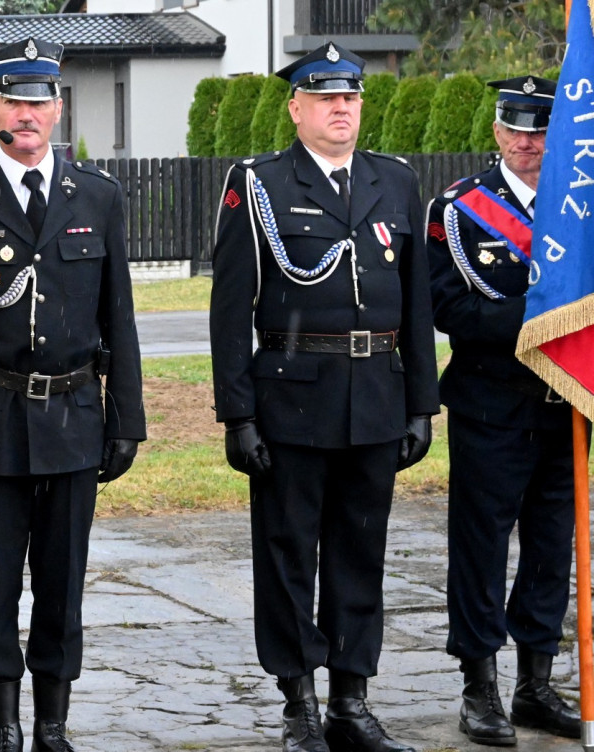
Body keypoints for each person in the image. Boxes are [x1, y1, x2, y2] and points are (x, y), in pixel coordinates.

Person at [0, 37, 146, 752]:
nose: (26, 114)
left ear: (57, 106)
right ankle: (3, 724)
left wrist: (126, 419)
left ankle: (52, 723)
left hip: (74, 415)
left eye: (38, 100)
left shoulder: (97, 196)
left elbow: (120, 316)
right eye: (12, 100)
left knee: (62, 580)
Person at [208, 41, 438, 752]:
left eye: (352, 98)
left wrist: (422, 404)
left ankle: (350, 699)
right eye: (327, 98)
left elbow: (418, 302)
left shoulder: (394, 182)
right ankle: (299, 701)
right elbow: (229, 311)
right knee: (288, 555)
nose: (342, 110)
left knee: (359, 554)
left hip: (376, 395)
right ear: (297, 107)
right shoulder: (262, 185)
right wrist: (238, 414)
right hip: (292, 400)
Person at [427, 75, 583, 746]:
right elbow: (448, 307)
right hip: (492, 406)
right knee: (481, 550)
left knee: (552, 550)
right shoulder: (460, 209)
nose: (528, 142)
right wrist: (539, 319)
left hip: (567, 407)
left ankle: (535, 684)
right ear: (496, 133)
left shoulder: (583, 214)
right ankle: (479, 686)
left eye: (541, 130)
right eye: (516, 129)